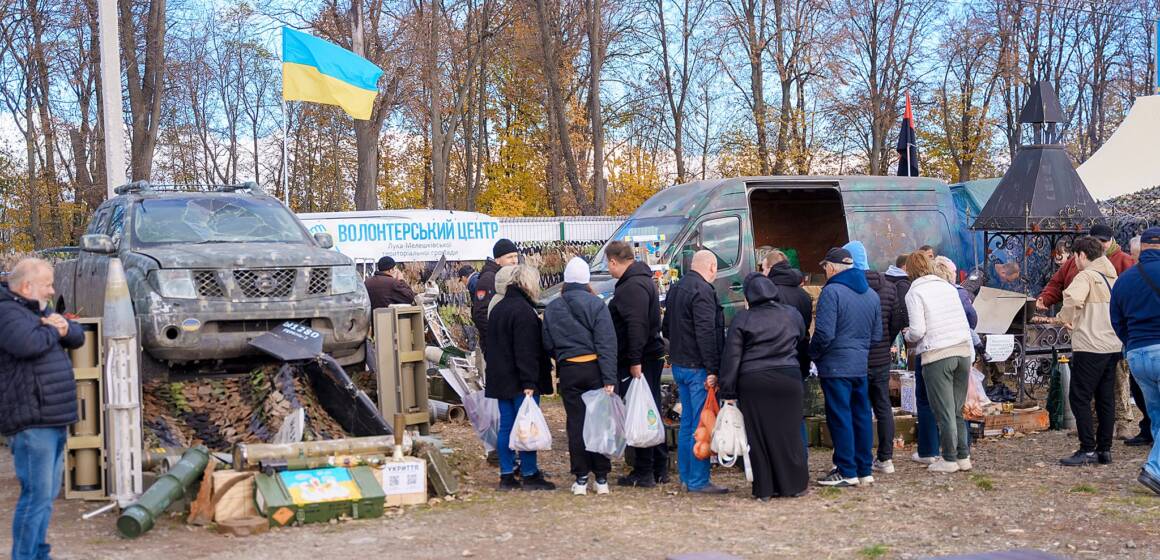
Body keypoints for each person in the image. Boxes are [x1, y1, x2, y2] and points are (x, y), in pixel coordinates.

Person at [1, 258, 85, 560]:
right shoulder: (7, 312)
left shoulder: (38, 309)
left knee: (46, 497)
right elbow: (27, 343)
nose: (52, 291)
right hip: (31, 419)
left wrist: (63, 327)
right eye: (47, 284)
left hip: (53, 416)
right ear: (27, 286)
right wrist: (55, 330)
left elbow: (77, 336)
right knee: (35, 496)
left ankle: (39, 553)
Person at [719, 273, 810, 500]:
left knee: (758, 437)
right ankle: (793, 485)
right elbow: (803, 343)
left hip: (754, 381)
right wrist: (802, 372)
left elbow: (732, 357)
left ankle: (765, 488)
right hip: (788, 377)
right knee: (789, 434)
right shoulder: (792, 314)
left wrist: (728, 391)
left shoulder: (743, 319)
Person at [543, 258, 618, 496]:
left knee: (576, 424)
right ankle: (603, 478)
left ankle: (581, 478)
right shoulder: (597, 305)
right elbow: (607, 343)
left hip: (569, 371)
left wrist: (562, 357)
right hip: (595, 370)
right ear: (587, 280)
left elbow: (547, 342)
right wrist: (609, 378)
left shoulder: (554, 307)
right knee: (598, 423)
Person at [809, 247, 881, 487]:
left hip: (835, 365)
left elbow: (824, 333)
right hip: (860, 365)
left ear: (831, 268)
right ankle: (864, 469)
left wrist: (813, 354)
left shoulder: (832, 292)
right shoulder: (871, 294)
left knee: (840, 417)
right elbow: (876, 335)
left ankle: (846, 471)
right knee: (861, 416)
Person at [662, 249, 728, 494]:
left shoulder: (676, 288)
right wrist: (713, 369)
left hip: (680, 365)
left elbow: (666, 328)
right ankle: (698, 480)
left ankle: (686, 477)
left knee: (688, 423)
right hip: (698, 368)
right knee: (702, 424)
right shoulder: (703, 291)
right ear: (711, 267)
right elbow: (706, 333)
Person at [484, 264, 555, 491]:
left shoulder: (498, 308)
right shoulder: (524, 312)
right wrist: (529, 382)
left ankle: (506, 473)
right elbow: (526, 351)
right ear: (528, 284)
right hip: (520, 380)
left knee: (507, 426)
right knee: (527, 425)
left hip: (499, 377)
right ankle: (529, 472)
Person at [606, 241, 670, 488]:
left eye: (608, 264)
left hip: (640, 359)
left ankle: (644, 470)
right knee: (650, 408)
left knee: (641, 412)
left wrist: (634, 361)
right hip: (649, 355)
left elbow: (636, 326)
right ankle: (659, 467)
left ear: (614, 261)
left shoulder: (631, 287)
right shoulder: (643, 280)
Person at [903, 252, 974, 473]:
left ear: (909, 271)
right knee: (956, 410)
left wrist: (907, 335)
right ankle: (964, 457)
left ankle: (949, 459)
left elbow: (918, 330)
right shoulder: (948, 287)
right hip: (963, 351)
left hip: (938, 355)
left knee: (943, 410)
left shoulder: (914, 292)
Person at [1056, 236, 1122, 466]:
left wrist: (1064, 318)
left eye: (1075, 256)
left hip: (1090, 344)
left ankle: (1087, 448)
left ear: (1082, 255)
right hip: (1111, 344)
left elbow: (1072, 298)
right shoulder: (1112, 277)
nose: (1075, 261)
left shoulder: (1086, 276)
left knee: (1079, 396)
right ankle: (1105, 450)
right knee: (1106, 398)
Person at [844, 241, 900, 475]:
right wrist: (886, 342)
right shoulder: (888, 286)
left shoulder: (849, 287)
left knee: (860, 407)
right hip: (881, 358)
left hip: (857, 357)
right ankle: (886, 458)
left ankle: (862, 457)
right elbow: (896, 320)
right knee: (883, 405)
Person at [1111, 227, 1160, 494]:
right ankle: (1154, 470)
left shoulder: (1125, 279)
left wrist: (1132, 344)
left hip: (1137, 355)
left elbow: (1116, 320)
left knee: (1156, 416)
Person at [1037, 224, 1135, 311]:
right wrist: (1044, 299)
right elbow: (1056, 284)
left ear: (1111, 240)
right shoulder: (1075, 260)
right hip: (1075, 322)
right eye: (1096, 240)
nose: (1099, 244)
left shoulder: (1126, 262)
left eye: (1103, 241)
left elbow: (1131, 295)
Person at [472, 239, 521, 371]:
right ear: (497, 260)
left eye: (516, 256)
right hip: (496, 346)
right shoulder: (488, 279)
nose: (514, 260)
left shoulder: (509, 277)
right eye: (509, 257)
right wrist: (497, 338)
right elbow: (480, 314)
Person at [764, 249, 813, 378]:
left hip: (778, 360)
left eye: (763, 269)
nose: (763, 273)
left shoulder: (769, 294)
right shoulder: (804, 295)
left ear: (770, 268)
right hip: (800, 355)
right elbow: (806, 326)